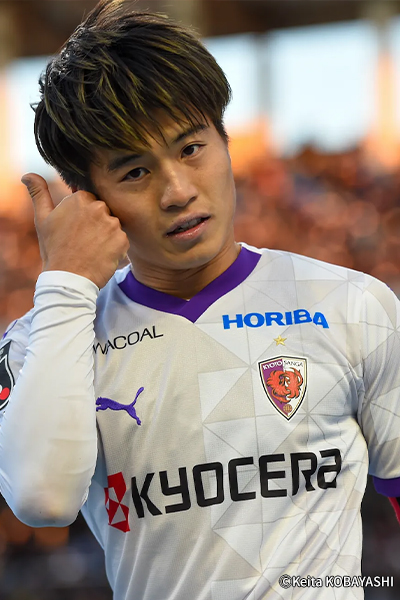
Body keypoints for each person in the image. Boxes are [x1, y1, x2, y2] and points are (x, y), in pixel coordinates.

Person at [0, 1, 399, 598]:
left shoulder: (354, 304)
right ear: (88, 199)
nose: (178, 191)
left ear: (225, 138)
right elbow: (43, 499)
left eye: (190, 149)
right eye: (135, 172)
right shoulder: (41, 343)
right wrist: (66, 285)